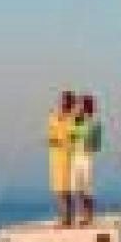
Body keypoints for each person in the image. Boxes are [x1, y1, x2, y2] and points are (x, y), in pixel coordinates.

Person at [68, 94, 103, 226]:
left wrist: (90, 145)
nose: (78, 107)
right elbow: (71, 137)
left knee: (87, 187)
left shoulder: (94, 123)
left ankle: (89, 216)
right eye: (77, 105)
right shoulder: (76, 121)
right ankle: (81, 215)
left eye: (81, 104)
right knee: (76, 187)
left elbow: (97, 144)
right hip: (76, 156)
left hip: (87, 156)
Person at [46, 91, 78, 226]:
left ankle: (67, 219)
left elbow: (74, 137)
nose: (62, 103)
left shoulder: (74, 119)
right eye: (61, 101)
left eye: (65, 101)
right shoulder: (53, 117)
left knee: (67, 189)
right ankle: (63, 217)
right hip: (56, 157)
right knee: (59, 189)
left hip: (69, 155)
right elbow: (51, 135)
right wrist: (52, 140)